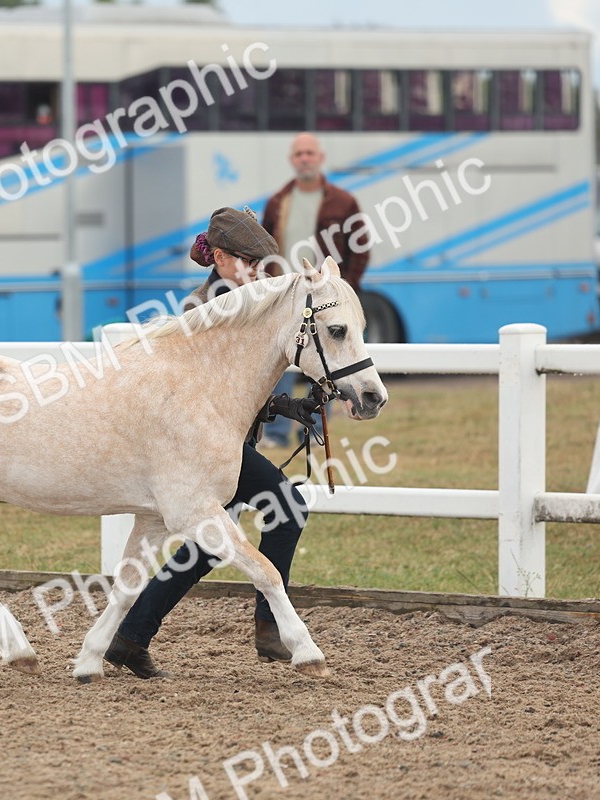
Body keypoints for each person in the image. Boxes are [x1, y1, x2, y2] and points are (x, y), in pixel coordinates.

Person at [105, 207, 323, 679]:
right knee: (286, 509)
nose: (259, 271)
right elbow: (206, 395)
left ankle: (131, 638)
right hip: (201, 449)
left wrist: (284, 405)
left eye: (263, 263)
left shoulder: (253, 304)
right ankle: (270, 627)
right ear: (220, 259)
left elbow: (242, 386)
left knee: (208, 546)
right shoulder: (199, 312)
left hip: (226, 444)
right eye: (249, 262)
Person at [261, 132, 369, 445]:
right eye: (299, 154)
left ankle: (314, 430)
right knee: (281, 364)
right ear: (292, 160)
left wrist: (343, 291)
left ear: (320, 158)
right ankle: (277, 433)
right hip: (285, 298)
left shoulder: (343, 202)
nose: (304, 158)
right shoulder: (278, 202)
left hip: (324, 300)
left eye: (310, 153)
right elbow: (264, 249)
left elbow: (360, 249)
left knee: (326, 365)